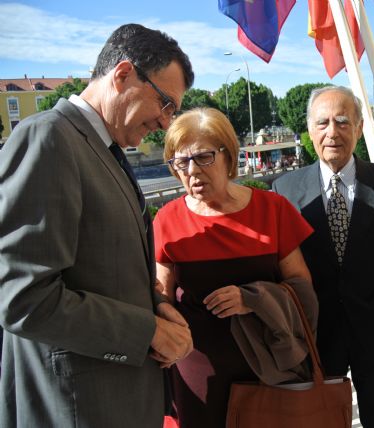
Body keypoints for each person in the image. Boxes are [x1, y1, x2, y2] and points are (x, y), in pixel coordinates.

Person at [0, 24, 194, 427]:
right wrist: (147, 332)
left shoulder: (99, 149)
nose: (165, 121)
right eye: (165, 103)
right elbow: (23, 297)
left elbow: (96, 274)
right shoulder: (49, 138)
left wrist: (155, 306)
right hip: (78, 408)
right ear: (123, 74)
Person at [272, 86, 374, 428]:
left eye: (342, 121)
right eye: (322, 122)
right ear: (309, 130)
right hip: (317, 335)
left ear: (359, 127)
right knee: (319, 421)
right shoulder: (285, 191)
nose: (332, 132)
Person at [154, 107, 315, 427]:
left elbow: (303, 290)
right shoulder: (167, 219)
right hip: (197, 374)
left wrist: (252, 298)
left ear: (229, 155)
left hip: (268, 365)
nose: (192, 170)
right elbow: (162, 297)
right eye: (181, 161)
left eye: (203, 157)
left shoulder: (273, 209)